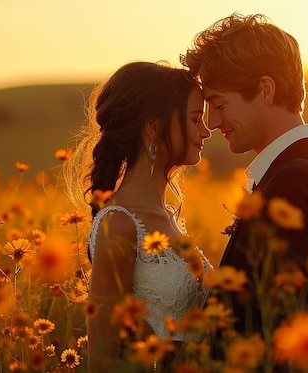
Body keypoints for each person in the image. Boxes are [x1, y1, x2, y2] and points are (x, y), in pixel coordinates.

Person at [182, 12, 308, 345]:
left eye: (219, 104)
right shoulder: (298, 172)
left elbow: (285, 330)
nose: (213, 122)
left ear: (265, 90)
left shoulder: (297, 183)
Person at [63, 61, 213, 371]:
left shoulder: (170, 216)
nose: (206, 131)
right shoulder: (118, 224)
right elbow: (103, 358)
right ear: (154, 127)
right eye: (196, 119)